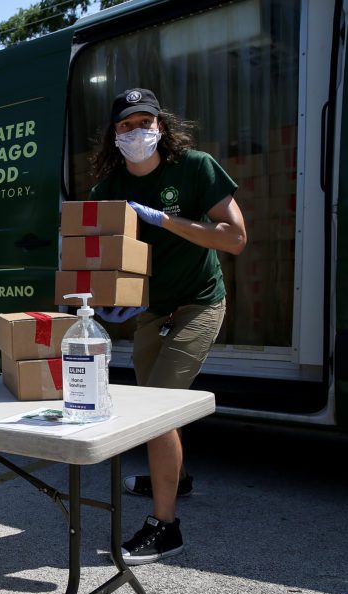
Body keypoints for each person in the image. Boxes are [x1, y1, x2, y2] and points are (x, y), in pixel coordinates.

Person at [88, 87, 246, 565]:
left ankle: (166, 526)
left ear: (162, 125)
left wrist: (165, 220)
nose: (136, 132)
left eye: (144, 122)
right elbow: (95, 252)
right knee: (155, 404)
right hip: (151, 310)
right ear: (113, 135)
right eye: (125, 126)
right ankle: (176, 478)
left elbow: (235, 238)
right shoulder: (108, 189)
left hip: (199, 302)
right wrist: (104, 300)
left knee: (158, 408)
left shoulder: (194, 167)